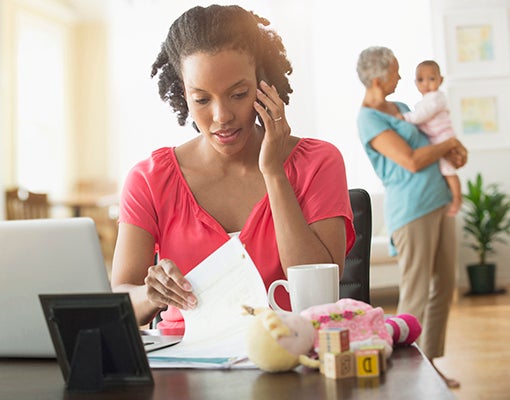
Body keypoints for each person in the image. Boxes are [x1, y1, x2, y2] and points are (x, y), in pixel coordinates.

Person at [111, 5, 355, 337]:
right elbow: (121, 300)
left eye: (238, 94)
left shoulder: (318, 162)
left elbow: (315, 299)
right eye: (201, 100)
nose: (221, 115)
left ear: (264, 84)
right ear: (183, 94)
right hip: (186, 366)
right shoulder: (150, 179)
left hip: (286, 353)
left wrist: (274, 173)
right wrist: (149, 294)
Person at [356, 46, 467, 388]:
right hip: (411, 210)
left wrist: (455, 151)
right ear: (377, 78)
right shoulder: (369, 118)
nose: (402, 78)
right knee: (416, 292)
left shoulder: (404, 108)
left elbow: (434, 141)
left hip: (439, 201)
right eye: (396, 72)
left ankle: (429, 366)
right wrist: (448, 145)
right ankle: (407, 377)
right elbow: (413, 160)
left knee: (444, 285)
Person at [399, 60, 462, 216]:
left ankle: (457, 198)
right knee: (445, 170)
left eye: (431, 79)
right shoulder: (426, 100)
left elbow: (422, 116)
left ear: (441, 80)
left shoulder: (436, 98)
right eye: (421, 80)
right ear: (415, 83)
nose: (426, 83)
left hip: (443, 138)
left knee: (448, 170)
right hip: (438, 138)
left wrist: (404, 118)